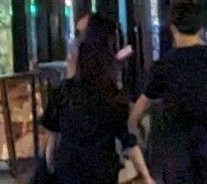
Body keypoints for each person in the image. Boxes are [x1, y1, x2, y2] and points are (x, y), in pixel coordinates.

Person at [129, 0, 207, 184]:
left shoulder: (164, 66)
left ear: (173, 28)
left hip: (178, 155)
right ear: (200, 28)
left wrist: (134, 129)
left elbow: (140, 109)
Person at [40, 26, 149, 184]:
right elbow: (128, 142)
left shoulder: (63, 92)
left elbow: (51, 136)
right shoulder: (112, 96)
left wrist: (48, 165)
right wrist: (146, 176)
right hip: (102, 169)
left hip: (68, 168)